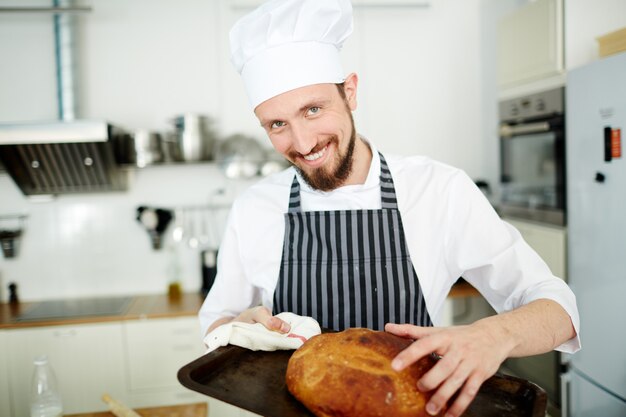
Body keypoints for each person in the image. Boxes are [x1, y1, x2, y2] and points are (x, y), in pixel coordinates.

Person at [199, 0, 581, 416]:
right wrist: (240, 326)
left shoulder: (439, 190)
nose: (303, 142)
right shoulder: (254, 208)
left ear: (350, 91)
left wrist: (495, 334)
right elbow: (217, 325)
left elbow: (558, 310)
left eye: (313, 109)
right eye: (277, 124)